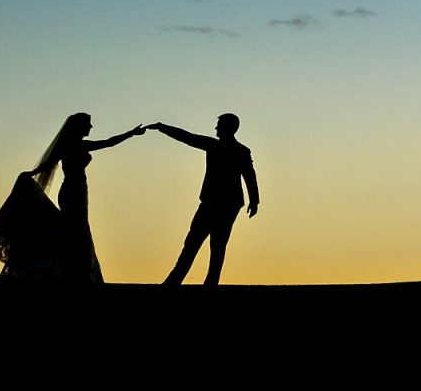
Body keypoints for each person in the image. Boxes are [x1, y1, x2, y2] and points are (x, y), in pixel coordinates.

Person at [32, 112, 148, 282]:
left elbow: (107, 143)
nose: (91, 127)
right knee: (77, 231)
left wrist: (131, 133)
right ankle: (77, 273)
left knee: (75, 231)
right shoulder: (73, 145)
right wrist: (130, 134)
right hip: (74, 191)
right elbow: (107, 143)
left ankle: (74, 271)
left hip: (75, 190)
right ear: (79, 126)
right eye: (88, 124)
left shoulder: (73, 145)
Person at [150, 113, 258, 285]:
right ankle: (191, 280)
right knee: (211, 243)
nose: (216, 128)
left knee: (203, 242)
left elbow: (249, 175)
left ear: (228, 127)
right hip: (224, 202)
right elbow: (187, 137)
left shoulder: (224, 148)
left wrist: (255, 200)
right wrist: (163, 127)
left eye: (219, 124)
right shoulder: (234, 149)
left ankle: (183, 280)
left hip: (219, 203)